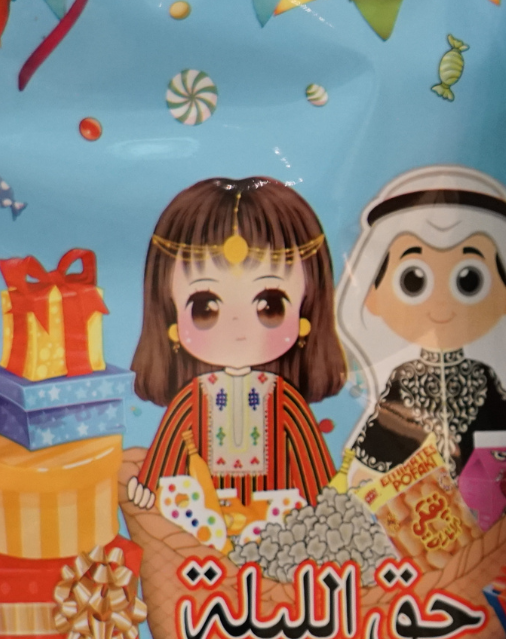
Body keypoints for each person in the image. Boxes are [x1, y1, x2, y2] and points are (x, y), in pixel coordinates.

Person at [125, 177, 343, 512]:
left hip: (277, 523)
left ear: (307, 309)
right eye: (205, 308)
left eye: (270, 306)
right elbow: (169, 451)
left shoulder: (285, 401)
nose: (238, 327)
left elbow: (309, 460)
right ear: (170, 314)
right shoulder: (192, 400)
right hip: (203, 521)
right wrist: (150, 485)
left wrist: (327, 505)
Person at [333, 166, 506, 479]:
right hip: (415, 504)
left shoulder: (483, 377)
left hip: (485, 498)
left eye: (469, 280)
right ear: (372, 295)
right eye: (413, 280)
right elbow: (375, 451)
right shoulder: (403, 378)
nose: (442, 304)